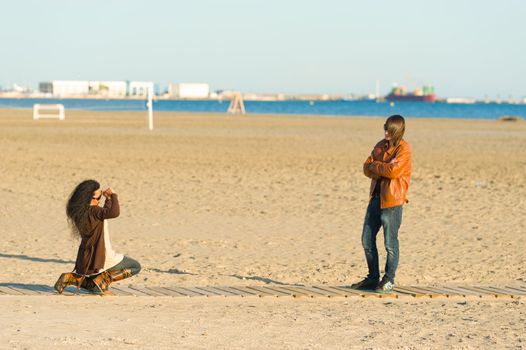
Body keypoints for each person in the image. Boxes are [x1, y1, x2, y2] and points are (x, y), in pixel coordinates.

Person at [351, 115, 412, 293]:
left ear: (398, 131)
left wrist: (377, 166)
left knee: (390, 243)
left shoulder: (404, 149)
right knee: (367, 240)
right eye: (385, 128)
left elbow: (394, 172)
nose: (386, 132)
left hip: (392, 200)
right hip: (376, 198)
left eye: (390, 130)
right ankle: (372, 277)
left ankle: (389, 279)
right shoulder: (380, 145)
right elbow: (366, 167)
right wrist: (382, 166)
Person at [54, 180, 141, 294]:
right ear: (92, 198)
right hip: (101, 255)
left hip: (85, 256)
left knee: (95, 287)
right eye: (99, 196)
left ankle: (72, 278)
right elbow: (114, 212)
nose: (100, 199)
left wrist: (107, 199)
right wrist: (113, 196)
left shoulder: (80, 212)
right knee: (135, 266)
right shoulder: (95, 211)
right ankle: (105, 279)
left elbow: (104, 213)